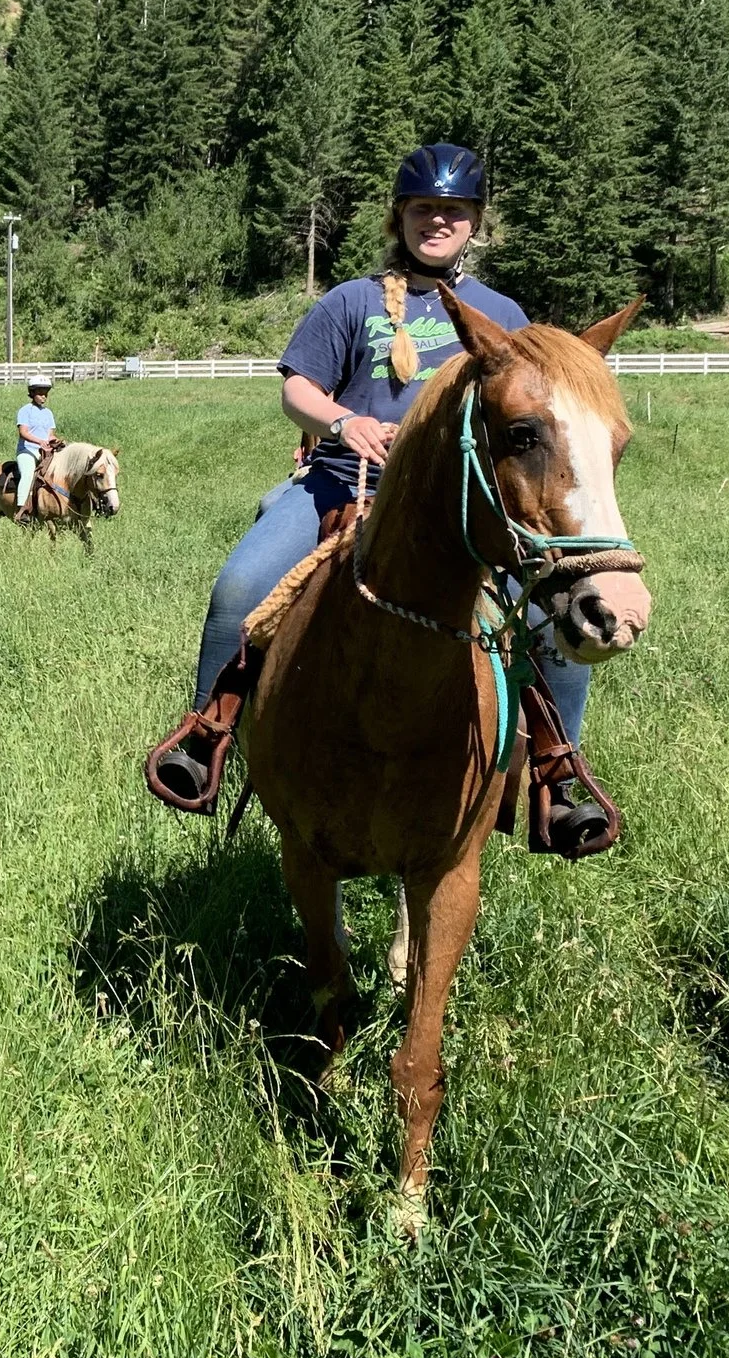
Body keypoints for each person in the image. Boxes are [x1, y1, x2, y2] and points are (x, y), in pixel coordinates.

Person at [181, 142, 599, 838]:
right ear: (398, 216)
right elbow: (297, 387)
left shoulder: (503, 314)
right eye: (423, 208)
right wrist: (342, 422)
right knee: (239, 585)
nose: (437, 221)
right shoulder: (350, 301)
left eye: (453, 210)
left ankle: (558, 776)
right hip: (342, 484)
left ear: (475, 222)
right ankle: (206, 737)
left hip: (466, 505)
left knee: (553, 623)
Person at [13, 377, 56, 522]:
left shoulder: (48, 413)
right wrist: (40, 442)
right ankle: (22, 509)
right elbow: (23, 432)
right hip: (28, 450)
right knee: (28, 474)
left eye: (45, 393)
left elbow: (50, 434)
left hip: (45, 451)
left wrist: (54, 441)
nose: (43, 396)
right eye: (40, 393)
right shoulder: (25, 411)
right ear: (32, 393)